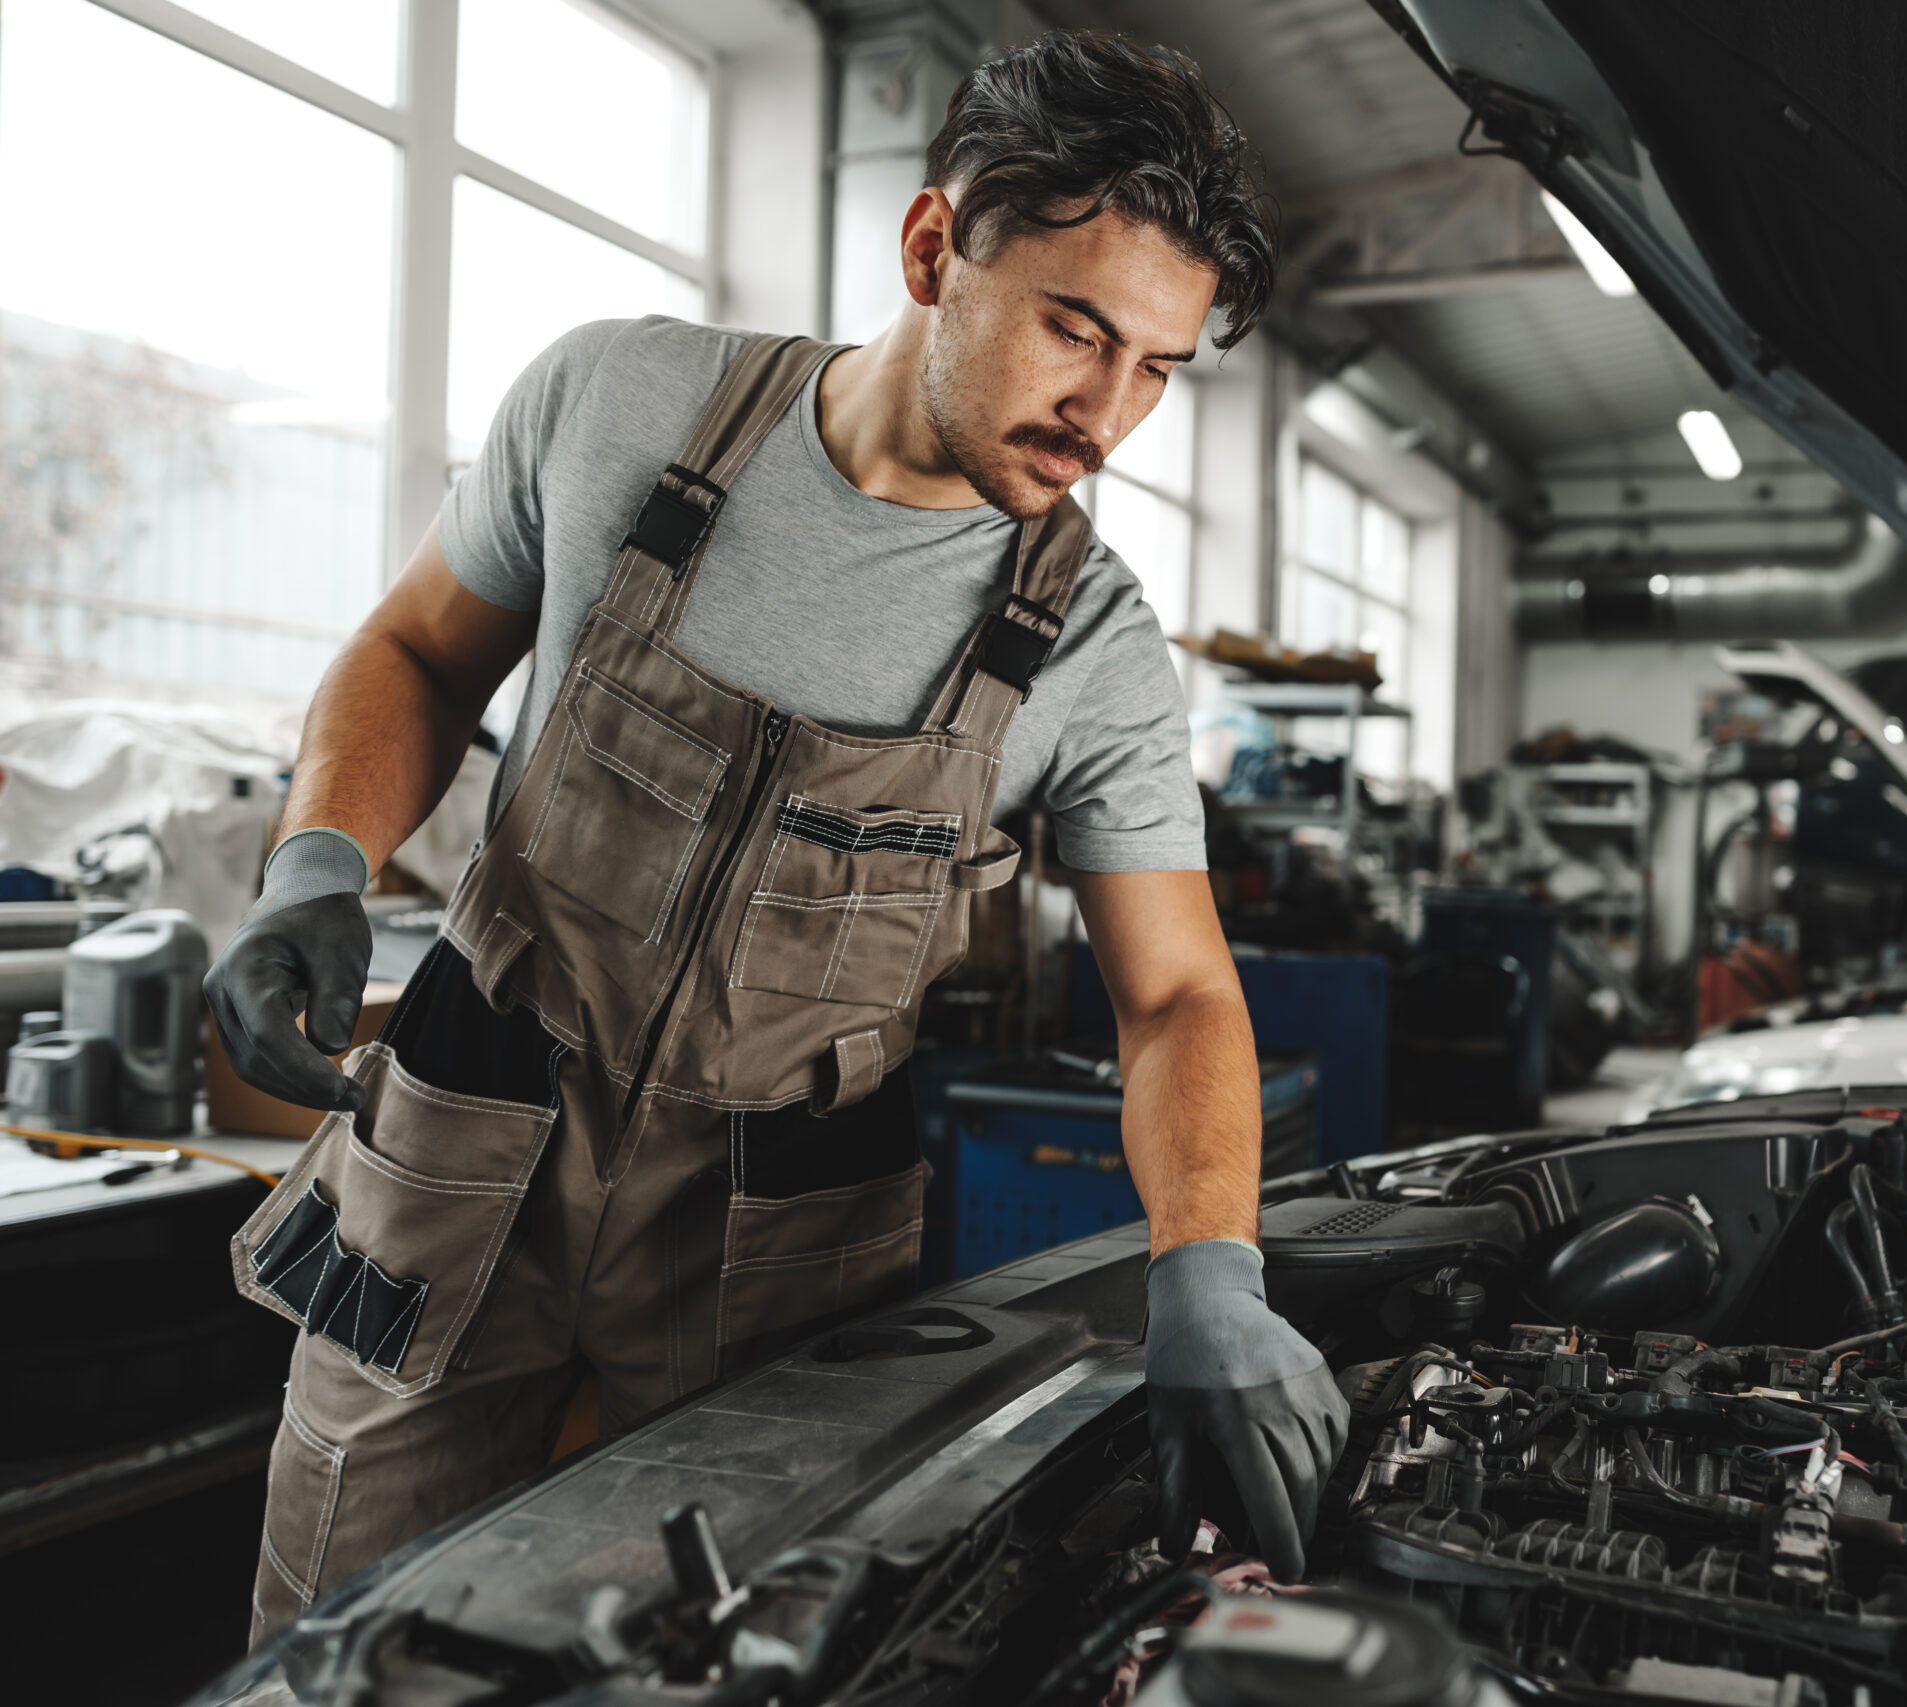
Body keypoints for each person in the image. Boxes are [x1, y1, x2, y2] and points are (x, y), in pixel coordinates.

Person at [203, 31, 1346, 1642]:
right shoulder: (618, 404)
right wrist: (317, 859)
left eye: (1157, 368)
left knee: (730, 1662)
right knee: (339, 1648)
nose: (1106, 414)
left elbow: (1177, 997)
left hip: (776, 1239)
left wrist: (1209, 1262)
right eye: (1076, 329)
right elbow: (417, 652)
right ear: (936, 247)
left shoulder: (1087, 643)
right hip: (466, 1157)